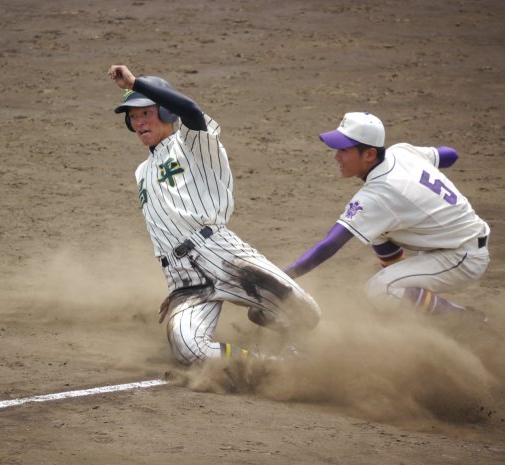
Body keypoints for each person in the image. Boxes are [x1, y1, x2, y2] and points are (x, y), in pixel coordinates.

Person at [108, 65, 321, 365]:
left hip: (220, 252)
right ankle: (274, 367)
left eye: (146, 112)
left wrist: (134, 83)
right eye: (133, 116)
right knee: (188, 350)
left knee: (306, 314)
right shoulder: (142, 172)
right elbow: (163, 227)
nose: (138, 121)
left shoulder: (193, 144)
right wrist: (174, 282)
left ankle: (276, 322)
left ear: (168, 113)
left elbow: (192, 110)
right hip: (183, 280)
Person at [284, 112, 490, 321]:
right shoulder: (401, 152)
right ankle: (408, 303)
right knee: (376, 227)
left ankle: (468, 322)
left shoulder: (378, 195)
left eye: (344, 150)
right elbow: (450, 154)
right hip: (456, 240)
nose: (336, 156)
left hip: (462, 257)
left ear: (370, 155)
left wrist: (284, 277)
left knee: (381, 289)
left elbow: (329, 245)